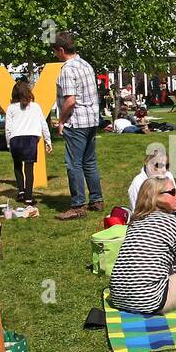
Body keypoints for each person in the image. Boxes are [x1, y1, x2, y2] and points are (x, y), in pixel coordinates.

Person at [108, 177, 176, 314]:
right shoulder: (171, 222)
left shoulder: (135, 222)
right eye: (172, 192)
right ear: (157, 197)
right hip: (149, 300)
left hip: (118, 297)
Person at [53, 32, 104, 220]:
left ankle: (77, 205)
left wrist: (61, 121)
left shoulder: (67, 70)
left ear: (61, 50)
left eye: (55, 52)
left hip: (76, 122)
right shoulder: (86, 65)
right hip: (91, 120)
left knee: (73, 164)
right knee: (89, 162)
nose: (55, 55)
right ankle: (96, 199)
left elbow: (70, 101)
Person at [5, 79, 52, 206]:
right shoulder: (35, 106)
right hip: (31, 139)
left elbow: (8, 127)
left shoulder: (11, 108)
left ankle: (21, 191)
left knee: (17, 165)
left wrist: (8, 143)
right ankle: (29, 197)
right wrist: (48, 141)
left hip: (15, 138)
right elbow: (43, 124)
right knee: (29, 169)